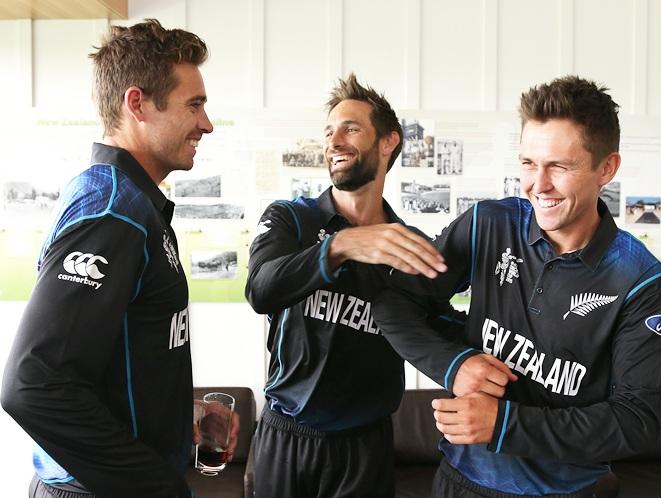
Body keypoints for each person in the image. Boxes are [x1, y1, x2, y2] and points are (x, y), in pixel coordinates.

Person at [373, 75, 661, 497]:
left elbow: (635, 421)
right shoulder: (487, 224)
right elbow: (395, 302)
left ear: (607, 168)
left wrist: (504, 424)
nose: (538, 184)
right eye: (529, 163)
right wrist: (454, 364)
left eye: (559, 167)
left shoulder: (644, 283)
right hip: (459, 480)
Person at [1, 19, 238, 497]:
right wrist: (157, 487)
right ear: (137, 104)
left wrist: (182, 414)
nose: (206, 123)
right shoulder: (114, 212)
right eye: (195, 105)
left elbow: (112, 356)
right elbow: (33, 384)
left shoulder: (135, 205)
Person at [245, 73, 453, 498]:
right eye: (329, 131)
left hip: (365, 446)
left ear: (388, 142)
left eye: (350, 129)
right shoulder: (292, 218)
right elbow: (261, 290)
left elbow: (439, 328)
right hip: (286, 435)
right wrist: (340, 246)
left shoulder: (408, 246)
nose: (334, 141)